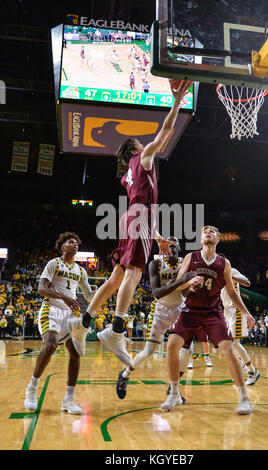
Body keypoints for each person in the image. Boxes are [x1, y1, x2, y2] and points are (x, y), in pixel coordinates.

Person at [67, 80, 192, 366]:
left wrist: (157, 237)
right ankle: (117, 328)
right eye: (139, 142)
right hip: (139, 218)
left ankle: (83, 323)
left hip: (133, 218)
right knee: (134, 274)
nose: (143, 142)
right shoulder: (144, 156)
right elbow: (166, 132)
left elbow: (140, 204)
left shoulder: (128, 175)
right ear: (135, 148)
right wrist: (176, 102)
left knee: (116, 277)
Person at [161, 225, 255, 415]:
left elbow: (230, 292)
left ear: (218, 239)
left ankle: (244, 397)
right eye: (205, 231)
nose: (208, 233)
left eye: (212, 231)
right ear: (201, 238)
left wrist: (246, 312)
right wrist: (189, 283)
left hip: (213, 311)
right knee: (171, 345)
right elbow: (177, 285)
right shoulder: (191, 257)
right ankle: (174, 394)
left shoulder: (224, 263)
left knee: (229, 348)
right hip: (190, 310)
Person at [114, 237, 196, 400]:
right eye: (169, 245)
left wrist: (191, 288)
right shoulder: (155, 264)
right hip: (160, 310)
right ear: (163, 248)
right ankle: (125, 375)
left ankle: (174, 387)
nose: (171, 248)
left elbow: (183, 292)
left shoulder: (184, 263)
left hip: (179, 308)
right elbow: (157, 293)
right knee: (149, 351)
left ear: (179, 248)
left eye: (174, 245)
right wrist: (181, 281)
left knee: (188, 350)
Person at [24, 232, 94, 414]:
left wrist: (105, 296)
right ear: (63, 247)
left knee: (76, 352)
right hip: (52, 309)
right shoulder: (54, 263)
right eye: (71, 242)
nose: (75, 244)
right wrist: (63, 297)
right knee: (51, 345)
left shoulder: (81, 270)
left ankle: (68, 400)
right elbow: (41, 288)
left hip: (70, 314)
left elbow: (88, 295)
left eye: (77, 242)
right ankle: (32, 388)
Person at [220, 259, 260, 386]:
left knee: (232, 344)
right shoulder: (215, 275)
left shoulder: (232, 271)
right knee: (228, 345)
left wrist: (231, 276)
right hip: (226, 311)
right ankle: (244, 368)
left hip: (236, 310)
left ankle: (252, 371)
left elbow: (247, 283)